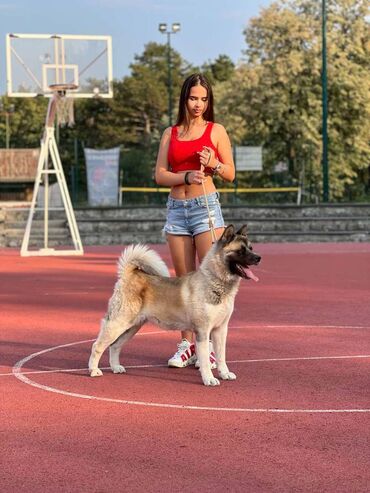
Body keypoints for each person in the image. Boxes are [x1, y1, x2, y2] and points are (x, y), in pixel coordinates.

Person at [155, 73, 235, 368]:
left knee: (213, 278)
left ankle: (212, 347)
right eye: (193, 98)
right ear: (184, 99)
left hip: (206, 208)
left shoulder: (216, 131)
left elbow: (230, 173)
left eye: (204, 99)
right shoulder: (170, 133)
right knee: (184, 281)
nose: (198, 104)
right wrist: (185, 175)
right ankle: (187, 345)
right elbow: (160, 174)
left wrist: (213, 163)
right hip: (177, 210)